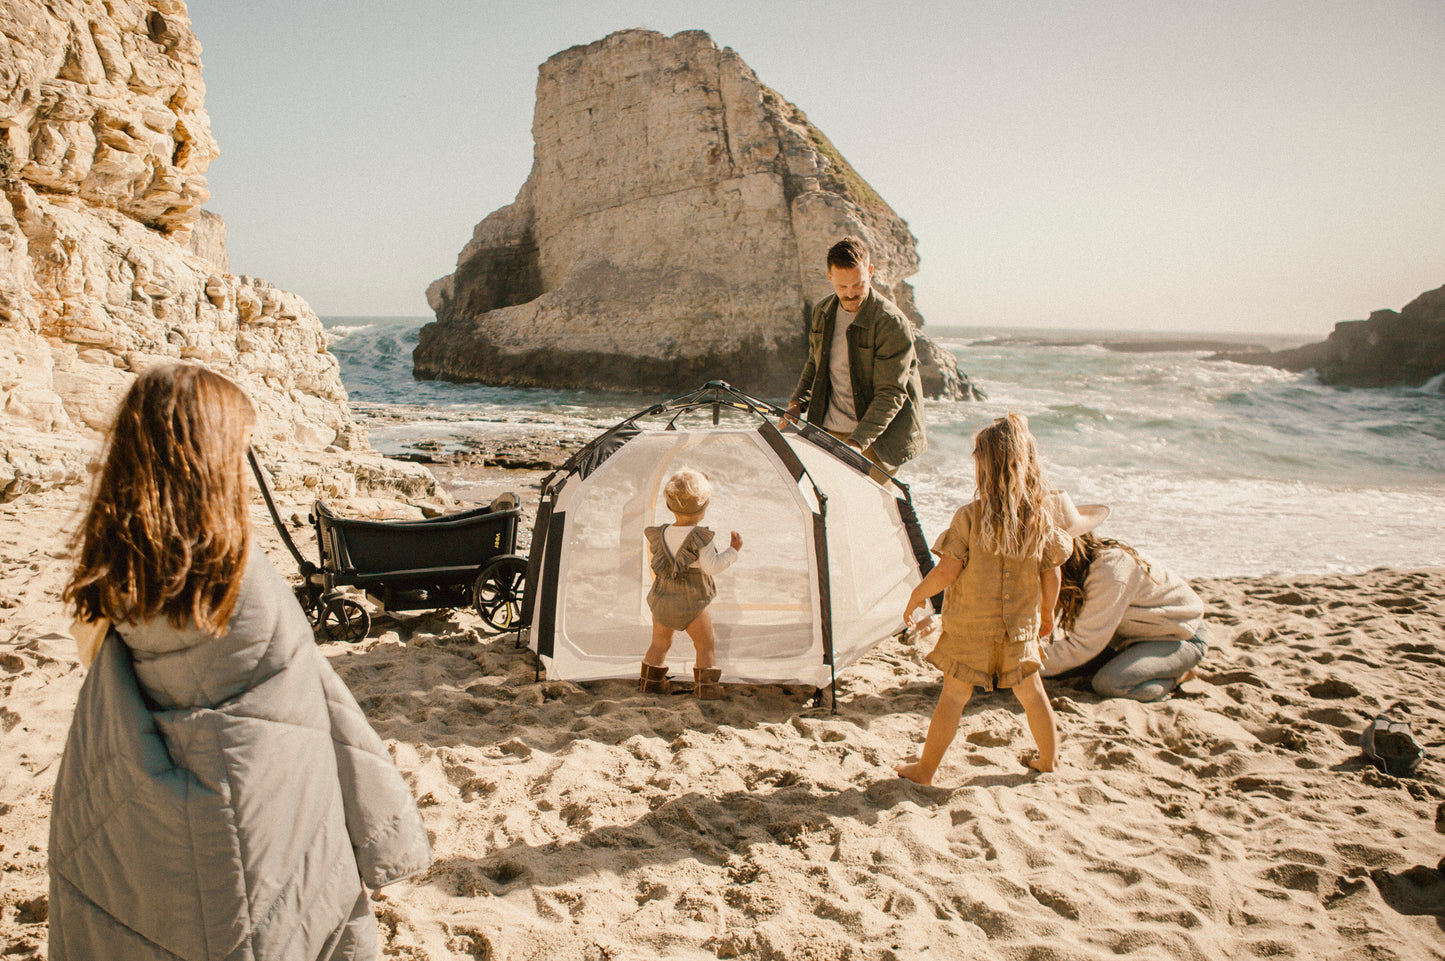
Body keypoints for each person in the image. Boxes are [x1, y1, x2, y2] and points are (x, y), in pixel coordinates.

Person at [50, 363, 430, 961]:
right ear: (207, 457)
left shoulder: (117, 572)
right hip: (269, 806)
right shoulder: (230, 573)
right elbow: (307, 690)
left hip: (167, 818)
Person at [895, 413, 1072, 784]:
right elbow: (1051, 573)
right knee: (1032, 692)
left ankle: (925, 770)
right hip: (1018, 628)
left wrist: (916, 596)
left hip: (969, 629)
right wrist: (1046, 614)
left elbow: (947, 572)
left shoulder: (969, 518)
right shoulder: (1040, 519)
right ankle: (1048, 759)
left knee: (953, 697)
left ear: (983, 467)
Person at [780, 236, 927, 477]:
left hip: (875, 442)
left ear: (870, 272)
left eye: (858, 284)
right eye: (842, 287)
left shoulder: (891, 323)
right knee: (831, 509)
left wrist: (857, 443)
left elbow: (891, 393)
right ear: (830, 277)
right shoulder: (822, 311)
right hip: (826, 431)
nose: (850, 294)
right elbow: (815, 364)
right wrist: (796, 404)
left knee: (874, 513)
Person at [1042, 513, 1208, 702]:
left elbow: (1081, 646)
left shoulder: (1110, 570)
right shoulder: (1076, 568)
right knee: (1061, 669)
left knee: (1110, 683)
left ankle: (1179, 675)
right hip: (1125, 639)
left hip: (1179, 636)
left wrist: (1018, 666)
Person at [640, 468, 742, 699]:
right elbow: (712, 567)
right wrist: (733, 551)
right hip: (692, 602)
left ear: (668, 506)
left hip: (662, 599)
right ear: (704, 509)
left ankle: (650, 684)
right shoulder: (700, 537)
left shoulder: (662, 533)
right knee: (705, 645)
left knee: (659, 644)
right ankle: (707, 690)